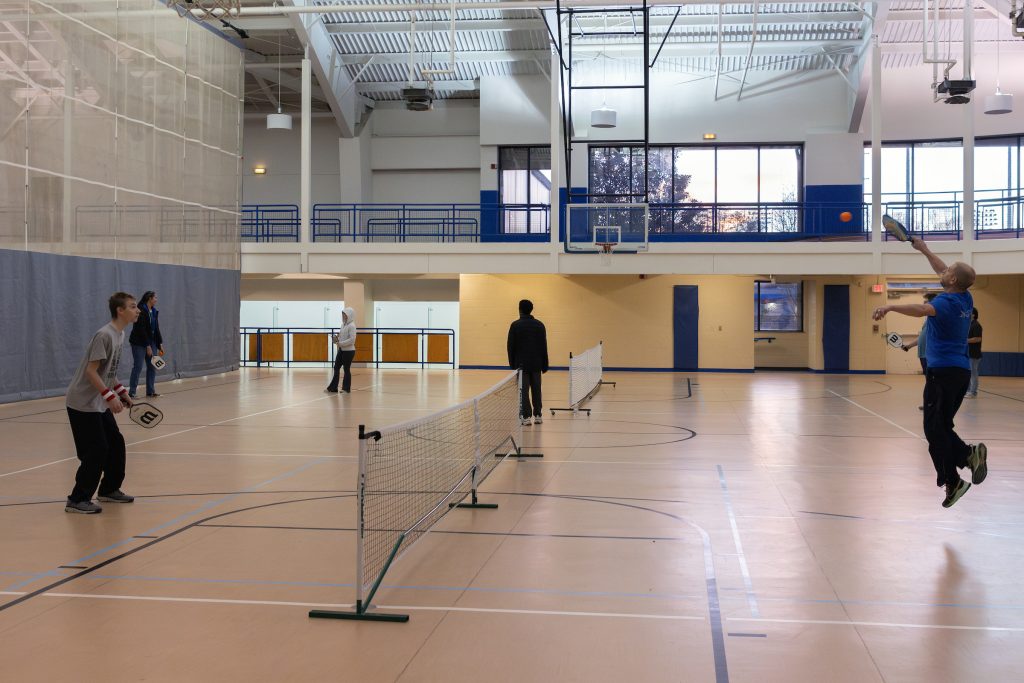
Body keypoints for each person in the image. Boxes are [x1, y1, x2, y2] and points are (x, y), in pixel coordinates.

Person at [873, 238, 987, 508]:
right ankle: (960, 468)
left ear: (952, 281)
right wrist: (923, 249)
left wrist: (889, 306)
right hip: (958, 373)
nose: (943, 271)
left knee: (934, 431)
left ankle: (961, 466)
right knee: (941, 427)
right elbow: (944, 269)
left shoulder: (946, 302)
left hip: (943, 373)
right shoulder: (964, 296)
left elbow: (922, 309)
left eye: (948, 272)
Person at [64, 292, 139, 514]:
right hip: (82, 403)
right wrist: (109, 396)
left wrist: (120, 391)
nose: (138, 310)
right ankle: (77, 499)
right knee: (96, 449)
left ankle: (109, 489)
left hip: (98, 401)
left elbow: (108, 372)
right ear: (120, 310)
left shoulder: (120, 335)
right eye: (133, 306)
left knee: (115, 443)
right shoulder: (104, 335)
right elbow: (91, 371)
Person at [507, 299, 549, 426]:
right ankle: (538, 415)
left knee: (523, 390)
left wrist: (512, 365)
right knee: (537, 389)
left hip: (521, 365)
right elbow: (544, 346)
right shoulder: (540, 325)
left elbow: (510, 346)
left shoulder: (515, 325)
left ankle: (526, 416)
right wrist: (545, 364)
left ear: (520, 309)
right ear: (531, 310)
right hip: (536, 364)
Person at [901, 292, 937, 410]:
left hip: (930, 354)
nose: (923, 304)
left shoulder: (936, 319)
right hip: (923, 354)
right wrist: (909, 346)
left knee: (932, 381)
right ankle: (929, 403)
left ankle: (932, 404)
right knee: (929, 380)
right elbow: (922, 337)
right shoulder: (928, 321)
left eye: (925, 302)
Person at [128, 290, 164, 398]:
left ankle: (150, 391)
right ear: (150, 298)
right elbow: (141, 329)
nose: (156, 300)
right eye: (155, 298)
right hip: (139, 342)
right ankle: (132, 392)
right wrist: (147, 346)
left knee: (152, 366)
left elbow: (156, 328)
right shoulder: (140, 310)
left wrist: (159, 343)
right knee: (138, 366)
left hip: (151, 341)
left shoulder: (153, 311)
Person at [326, 307, 357, 393]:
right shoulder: (343, 325)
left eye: (345, 314)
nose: (343, 316)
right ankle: (333, 387)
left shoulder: (352, 326)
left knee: (346, 369)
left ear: (349, 315)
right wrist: (337, 338)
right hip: (342, 350)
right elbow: (342, 336)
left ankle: (346, 389)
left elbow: (352, 340)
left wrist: (341, 344)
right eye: (343, 314)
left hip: (349, 351)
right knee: (336, 367)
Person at [966, 308, 983, 398]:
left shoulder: (976, 325)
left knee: (973, 373)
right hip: (967, 353)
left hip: (974, 354)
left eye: (968, 313)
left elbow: (978, 338)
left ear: (973, 315)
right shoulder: (968, 325)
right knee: (967, 373)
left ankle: (973, 392)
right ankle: (968, 391)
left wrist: (965, 340)